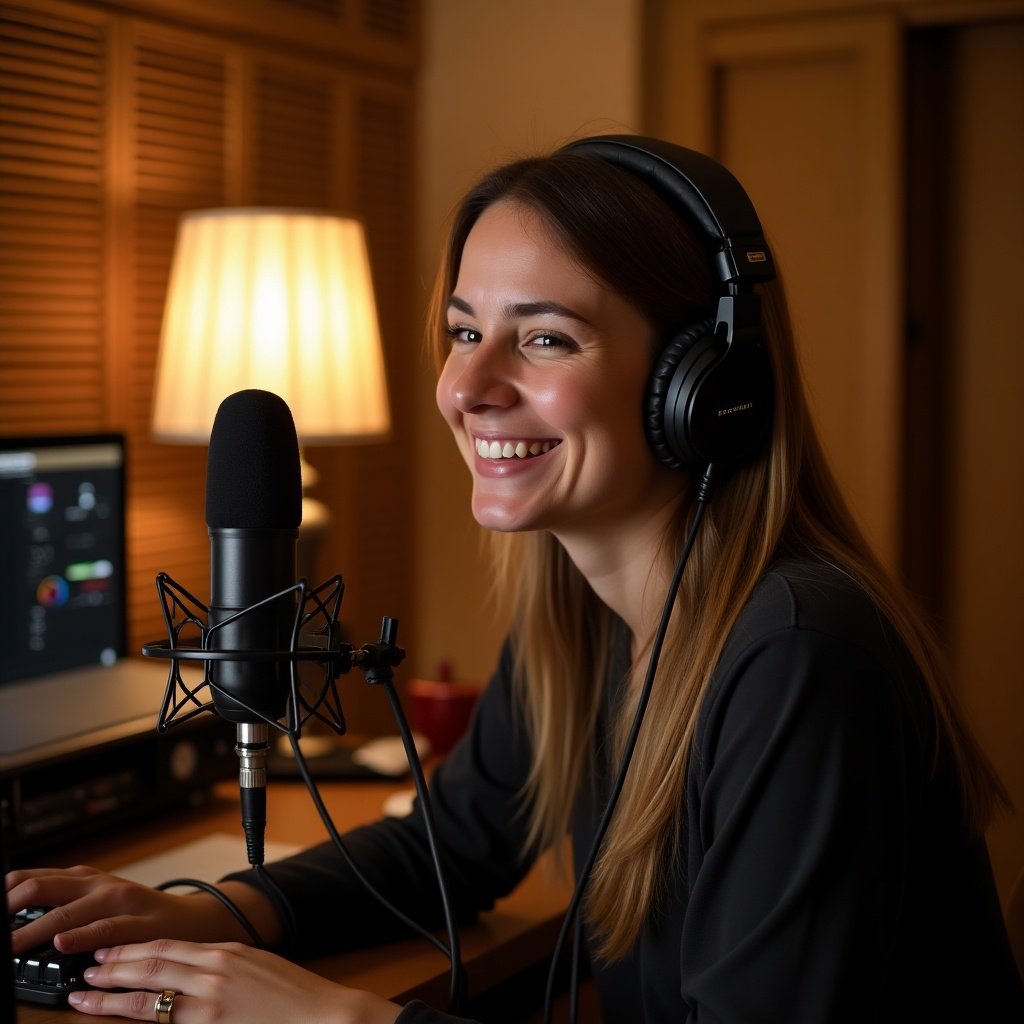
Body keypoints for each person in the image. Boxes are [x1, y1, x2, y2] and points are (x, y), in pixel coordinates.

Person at [7, 136, 1024, 1023]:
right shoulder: (590, 623)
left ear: (702, 390)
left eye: (543, 337)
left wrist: (339, 1021)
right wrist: (218, 909)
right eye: (462, 330)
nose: (467, 387)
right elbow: (448, 844)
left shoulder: (798, 657)